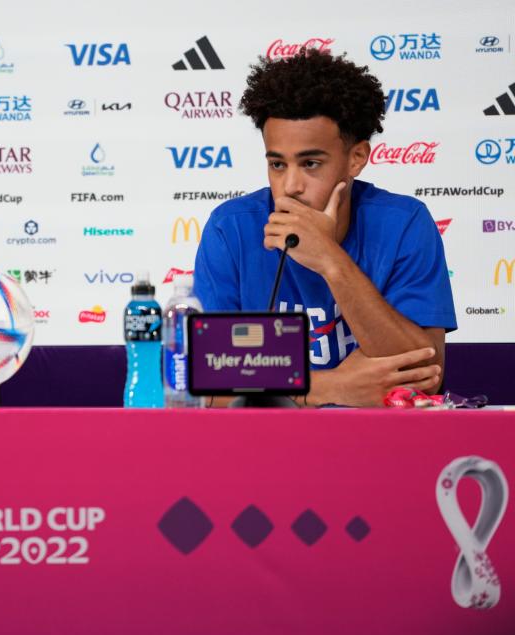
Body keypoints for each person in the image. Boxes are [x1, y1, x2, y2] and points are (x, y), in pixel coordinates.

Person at [194, 50, 456, 407]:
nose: (290, 186)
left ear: (356, 158)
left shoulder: (404, 223)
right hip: (268, 445)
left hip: (378, 446)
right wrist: (330, 387)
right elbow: (209, 390)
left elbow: (425, 376)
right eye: (277, 164)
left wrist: (331, 261)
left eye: (311, 163)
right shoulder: (231, 229)